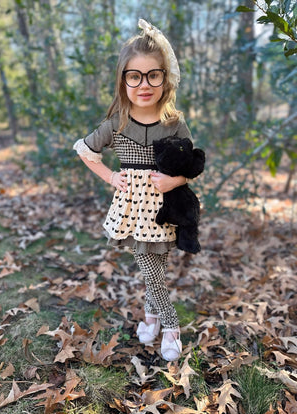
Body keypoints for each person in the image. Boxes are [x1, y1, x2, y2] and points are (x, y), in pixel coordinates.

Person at [73, 19, 197, 362]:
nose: (144, 84)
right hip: (133, 207)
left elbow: (193, 165)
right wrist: (111, 177)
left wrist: (174, 181)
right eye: (135, 76)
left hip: (166, 206)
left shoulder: (174, 122)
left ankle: (151, 315)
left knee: (157, 263)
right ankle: (171, 325)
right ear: (123, 80)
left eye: (153, 75)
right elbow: (85, 150)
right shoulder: (117, 123)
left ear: (165, 78)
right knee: (149, 266)